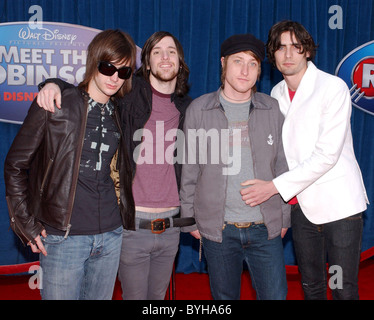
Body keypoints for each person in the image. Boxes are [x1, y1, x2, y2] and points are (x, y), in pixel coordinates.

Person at [36, 31, 194, 300]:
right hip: (132, 223)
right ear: (145, 62)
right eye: (156, 51)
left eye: (171, 51)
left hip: (172, 225)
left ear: (180, 60)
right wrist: (53, 83)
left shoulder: (188, 108)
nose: (165, 57)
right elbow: (89, 90)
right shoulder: (127, 99)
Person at [241, 21, 369, 300]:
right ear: (272, 55)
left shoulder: (332, 87)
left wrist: (272, 187)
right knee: (311, 287)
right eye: (280, 48)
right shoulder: (274, 94)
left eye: (295, 47)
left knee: (341, 289)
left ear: (307, 51)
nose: (288, 55)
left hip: (339, 206)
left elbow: (327, 155)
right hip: (300, 207)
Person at [4, 29, 136, 300]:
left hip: (111, 235)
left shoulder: (120, 112)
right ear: (94, 62)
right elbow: (15, 165)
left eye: (123, 72)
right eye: (108, 67)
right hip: (64, 239)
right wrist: (24, 223)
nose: (114, 78)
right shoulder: (56, 104)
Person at [180, 34, 290, 300]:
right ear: (223, 63)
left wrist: (284, 217)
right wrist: (188, 220)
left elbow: (284, 166)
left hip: (265, 227)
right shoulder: (200, 110)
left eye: (252, 64)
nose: (244, 70)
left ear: (259, 70)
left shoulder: (272, 109)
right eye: (237, 61)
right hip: (219, 229)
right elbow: (189, 169)